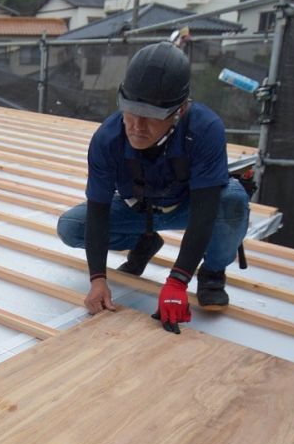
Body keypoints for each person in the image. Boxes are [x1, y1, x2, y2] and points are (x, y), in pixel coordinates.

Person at [55, 42, 249, 333]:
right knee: (71, 226)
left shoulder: (205, 129)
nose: (136, 126)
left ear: (180, 111)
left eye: (151, 116)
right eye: (130, 112)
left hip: (188, 208)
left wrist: (178, 280)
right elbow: (98, 210)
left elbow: (205, 210)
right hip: (139, 209)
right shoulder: (107, 139)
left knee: (232, 201)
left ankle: (212, 272)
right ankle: (144, 242)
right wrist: (98, 279)